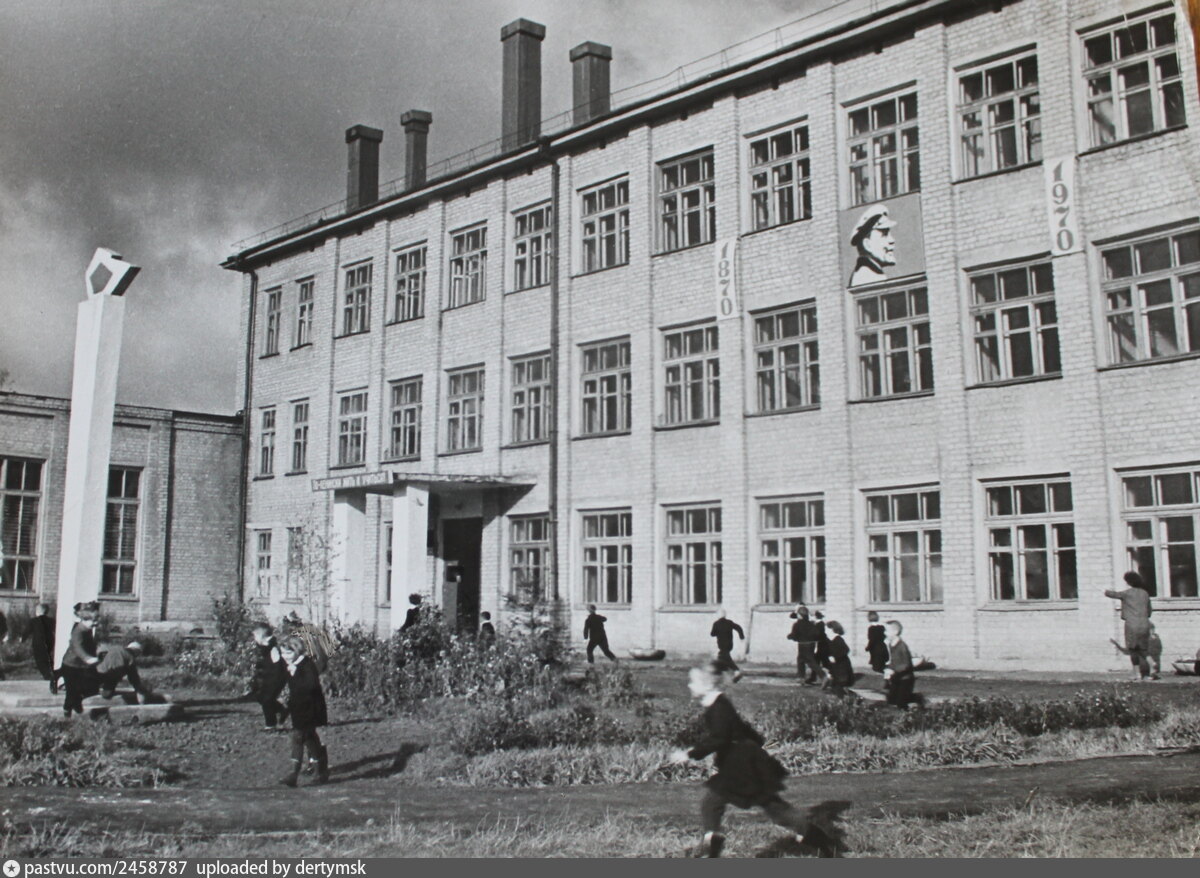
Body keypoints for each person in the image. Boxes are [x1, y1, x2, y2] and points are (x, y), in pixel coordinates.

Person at [670, 663, 838, 858]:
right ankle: (822, 843)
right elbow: (742, 729)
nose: (689, 685)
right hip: (745, 762)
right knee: (771, 808)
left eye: (693, 682)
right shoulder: (718, 704)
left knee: (715, 801)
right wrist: (763, 746)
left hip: (741, 765)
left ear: (707, 685)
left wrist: (689, 754)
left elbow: (719, 738)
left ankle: (712, 845)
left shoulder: (718, 707)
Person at [279, 635, 329, 787]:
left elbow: (311, 685)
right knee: (309, 738)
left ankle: (293, 774)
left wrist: (296, 673)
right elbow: (293, 690)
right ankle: (321, 771)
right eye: (283, 653)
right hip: (298, 707)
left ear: (297, 651)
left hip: (310, 707)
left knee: (298, 737)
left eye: (288, 653)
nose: (285, 656)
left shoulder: (306, 664)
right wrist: (286, 708)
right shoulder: (291, 665)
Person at [1105, 571, 1153, 681]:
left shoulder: (1127, 593)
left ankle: (1137, 674)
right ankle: (1149, 668)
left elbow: (1113, 594)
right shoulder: (1145, 594)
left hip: (1131, 624)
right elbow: (1149, 612)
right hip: (1144, 624)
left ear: (1128, 582)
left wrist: (1104, 591)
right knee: (1143, 649)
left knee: (1133, 649)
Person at [60, 602, 101, 717]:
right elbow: (77, 647)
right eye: (93, 621)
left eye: (96, 620)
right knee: (71, 692)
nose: (96, 623)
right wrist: (87, 658)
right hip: (70, 665)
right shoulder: (78, 631)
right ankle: (67, 712)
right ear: (84, 620)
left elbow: (89, 645)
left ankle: (77, 702)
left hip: (82, 666)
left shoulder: (87, 630)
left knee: (91, 687)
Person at [250, 623, 289, 730]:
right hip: (269, 676)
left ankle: (271, 724)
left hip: (276, 677)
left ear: (261, 636)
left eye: (255, 636)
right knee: (261, 697)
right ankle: (282, 708)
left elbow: (278, 664)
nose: (254, 639)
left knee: (267, 699)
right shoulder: (266, 647)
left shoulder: (272, 647)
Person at [848, 204, 897, 286]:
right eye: (884, 235)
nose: (892, 240)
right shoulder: (866, 276)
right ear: (867, 245)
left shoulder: (872, 273)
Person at [94, 641, 158, 702]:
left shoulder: (116, 648)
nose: (137, 655)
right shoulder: (130, 657)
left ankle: (103, 691)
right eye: (138, 653)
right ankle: (106, 693)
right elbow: (133, 676)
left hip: (98, 671)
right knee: (107, 693)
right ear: (135, 650)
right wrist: (139, 688)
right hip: (111, 675)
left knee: (98, 688)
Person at [883, 620, 916, 708]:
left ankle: (916, 700)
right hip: (896, 677)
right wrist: (888, 668)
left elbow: (907, 664)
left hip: (905, 679)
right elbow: (893, 660)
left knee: (901, 703)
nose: (885, 633)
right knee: (891, 700)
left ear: (895, 632)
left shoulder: (902, 646)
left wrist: (893, 670)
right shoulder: (891, 644)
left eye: (887, 630)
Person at [787, 606, 823, 685]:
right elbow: (817, 633)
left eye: (798, 614)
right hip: (811, 644)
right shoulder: (811, 624)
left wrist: (790, 636)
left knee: (810, 661)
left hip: (803, 645)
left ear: (800, 615)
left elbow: (794, 635)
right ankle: (801, 677)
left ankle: (823, 676)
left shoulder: (797, 624)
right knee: (801, 660)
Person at [710, 609, 746, 682]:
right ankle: (720, 672)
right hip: (729, 645)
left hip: (721, 645)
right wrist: (741, 636)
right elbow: (738, 628)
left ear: (718, 616)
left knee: (725, 658)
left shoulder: (716, 624)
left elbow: (712, 634)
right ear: (725, 615)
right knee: (722, 657)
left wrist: (717, 631)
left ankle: (736, 671)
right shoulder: (729, 622)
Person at [28, 602, 56, 688]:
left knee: (39, 659)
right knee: (47, 657)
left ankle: (47, 675)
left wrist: (22, 638)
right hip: (50, 642)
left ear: (38, 611)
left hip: (38, 643)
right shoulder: (52, 620)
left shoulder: (34, 621)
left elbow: (27, 631)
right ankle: (51, 672)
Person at [824, 621, 855, 698]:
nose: (825, 631)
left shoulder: (838, 639)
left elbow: (846, 650)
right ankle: (842, 696)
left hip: (842, 665)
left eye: (826, 629)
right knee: (835, 682)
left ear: (833, 629)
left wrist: (835, 657)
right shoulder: (829, 640)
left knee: (840, 682)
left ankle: (846, 697)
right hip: (835, 665)